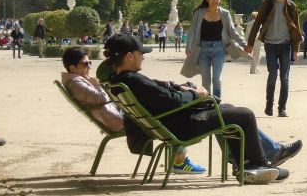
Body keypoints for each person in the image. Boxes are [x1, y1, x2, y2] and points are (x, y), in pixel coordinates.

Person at [104, 34, 302, 184]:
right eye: (140, 54)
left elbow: (161, 94)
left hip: (170, 122)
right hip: (182, 125)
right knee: (244, 114)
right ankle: (257, 165)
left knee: (229, 110)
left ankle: (246, 163)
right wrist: (195, 94)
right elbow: (171, 101)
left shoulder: (120, 81)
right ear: (129, 56)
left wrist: (180, 87)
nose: (143, 58)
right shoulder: (134, 80)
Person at [60, 46, 206, 173]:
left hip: (115, 115)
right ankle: (179, 161)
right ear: (72, 68)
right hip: (117, 120)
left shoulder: (76, 80)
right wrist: (97, 85)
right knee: (166, 112)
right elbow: (102, 99)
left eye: (90, 62)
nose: (89, 67)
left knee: (162, 104)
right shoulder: (76, 83)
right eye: (85, 64)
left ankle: (178, 160)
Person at [245, 0, 302, 117]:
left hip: (285, 45)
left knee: (285, 77)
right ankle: (269, 105)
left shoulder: (292, 6)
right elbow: (257, 24)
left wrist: (296, 49)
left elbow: (296, 29)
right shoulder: (267, 4)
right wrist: (250, 44)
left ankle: (282, 108)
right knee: (272, 75)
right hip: (270, 44)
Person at [187, 0, 248, 101]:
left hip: (219, 49)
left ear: (220, 0)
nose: (215, 0)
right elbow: (192, 31)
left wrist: (244, 44)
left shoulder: (225, 13)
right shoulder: (199, 12)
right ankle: (207, 104)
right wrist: (188, 47)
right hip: (203, 49)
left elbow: (232, 31)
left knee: (217, 79)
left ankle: (217, 104)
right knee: (205, 80)